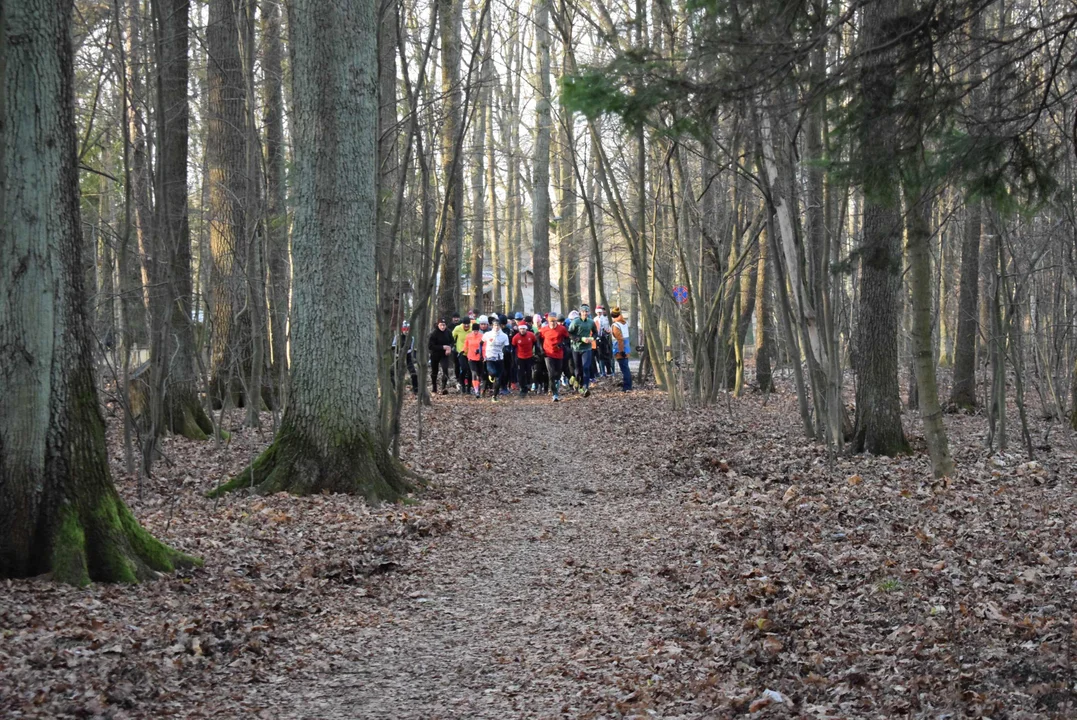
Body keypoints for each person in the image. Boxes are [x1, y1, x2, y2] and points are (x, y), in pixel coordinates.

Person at [538, 312, 570, 402]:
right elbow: (538, 338)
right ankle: (555, 394)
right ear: (548, 321)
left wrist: (561, 344)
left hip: (559, 354)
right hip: (548, 354)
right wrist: (541, 350)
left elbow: (567, 338)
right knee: (551, 374)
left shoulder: (562, 329)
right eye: (551, 321)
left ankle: (556, 386)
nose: (552, 323)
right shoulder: (543, 330)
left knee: (557, 374)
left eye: (554, 321)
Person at [568, 304, 597, 397]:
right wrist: (581, 339)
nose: (585, 313)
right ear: (580, 312)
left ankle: (585, 387)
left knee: (586, 367)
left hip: (587, 348)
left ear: (588, 313)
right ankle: (578, 385)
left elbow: (596, 333)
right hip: (576, 348)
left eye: (586, 312)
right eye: (583, 312)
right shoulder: (575, 322)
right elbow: (570, 334)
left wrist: (592, 338)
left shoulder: (591, 322)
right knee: (578, 369)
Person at [482, 318, 510, 402]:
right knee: (492, 373)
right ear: (492, 326)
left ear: (500, 326)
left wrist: (506, 351)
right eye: (494, 325)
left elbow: (507, 346)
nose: (496, 327)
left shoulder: (504, 336)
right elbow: (481, 343)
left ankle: (494, 396)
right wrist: (480, 354)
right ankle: (491, 375)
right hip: (489, 357)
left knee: (498, 379)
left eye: (498, 325)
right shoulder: (487, 334)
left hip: (499, 358)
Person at [428, 318, 454, 395]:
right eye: (441, 325)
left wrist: (449, 348)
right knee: (434, 371)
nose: (442, 327)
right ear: (438, 325)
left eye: (444, 325)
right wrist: (442, 347)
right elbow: (430, 346)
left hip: (444, 355)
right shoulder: (434, 333)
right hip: (435, 354)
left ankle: (443, 387)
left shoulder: (448, 332)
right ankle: (434, 387)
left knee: (445, 369)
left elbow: (452, 341)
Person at [391, 320, 418, 393]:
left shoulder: (411, 338)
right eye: (404, 329)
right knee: (391, 371)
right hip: (398, 358)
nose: (406, 331)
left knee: (414, 373)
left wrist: (404, 352)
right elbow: (393, 346)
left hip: (407, 357)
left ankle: (416, 390)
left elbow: (411, 349)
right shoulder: (397, 337)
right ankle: (394, 388)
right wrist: (397, 353)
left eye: (407, 329)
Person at [512, 320, 537, 397]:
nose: (522, 330)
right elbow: (513, 348)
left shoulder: (531, 335)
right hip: (520, 357)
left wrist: (535, 353)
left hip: (529, 357)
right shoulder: (515, 338)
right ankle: (523, 389)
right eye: (521, 329)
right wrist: (514, 359)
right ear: (519, 329)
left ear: (526, 329)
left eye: (523, 329)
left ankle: (529, 386)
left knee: (529, 372)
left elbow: (536, 344)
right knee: (521, 374)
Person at [611, 306, 632, 392]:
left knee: (624, 369)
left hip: (620, 350)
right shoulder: (624, 323)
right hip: (626, 349)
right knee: (626, 368)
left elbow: (619, 339)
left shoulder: (615, 325)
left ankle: (627, 386)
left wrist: (621, 351)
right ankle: (628, 385)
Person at [452, 311, 471, 393]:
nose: (466, 326)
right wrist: (453, 344)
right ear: (462, 324)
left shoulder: (472, 328)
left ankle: (469, 388)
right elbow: (451, 337)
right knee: (464, 369)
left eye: (468, 324)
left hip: (471, 353)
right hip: (461, 352)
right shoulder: (458, 328)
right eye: (465, 324)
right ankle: (462, 384)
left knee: (470, 371)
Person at [464, 321, 485, 397]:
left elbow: (485, 346)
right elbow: (466, 345)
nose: (475, 332)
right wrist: (462, 351)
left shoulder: (482, 336)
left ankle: (479, 388)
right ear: (472, 330)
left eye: (476, 331)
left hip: (480, 358)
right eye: (474, 331)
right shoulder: (468, 336)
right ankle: (476, 390)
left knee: (480, 374)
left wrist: (481, 351)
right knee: (474, 373)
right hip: (471, 357)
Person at [594, 305, 613, 378]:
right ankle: (602, 372)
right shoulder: (596, 319)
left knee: (608, 355)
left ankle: (610, 370)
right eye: (598, 312)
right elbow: (596, 329)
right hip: (600, 338)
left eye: (600, 312)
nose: (600, 313)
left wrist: (608, 332)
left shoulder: (608, 318)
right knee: (600, 356)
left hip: (607, 338)